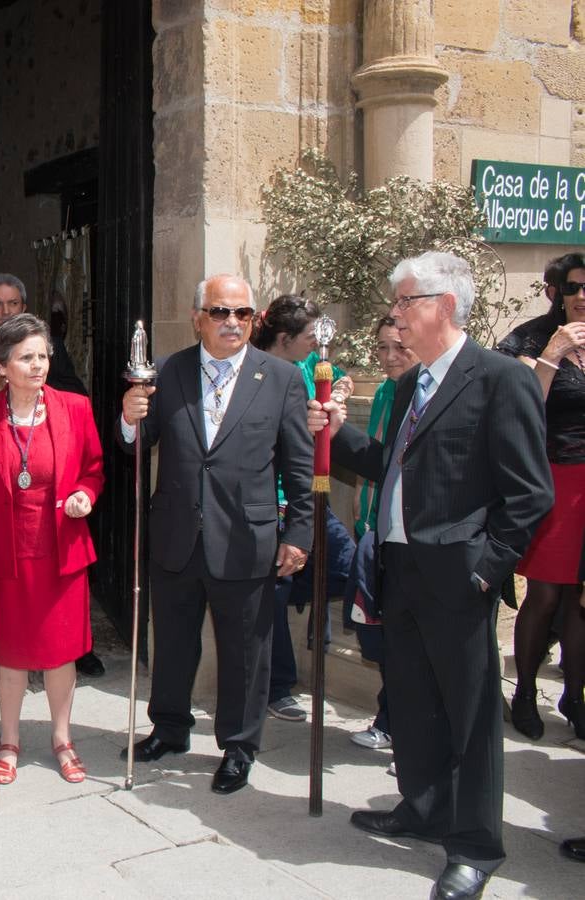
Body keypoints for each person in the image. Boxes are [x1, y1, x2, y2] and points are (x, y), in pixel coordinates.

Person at [315, 250, 553, 900]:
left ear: (443, 307)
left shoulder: (499, 380)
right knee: (414, 705)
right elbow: (397, 469)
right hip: (403, 572)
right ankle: (420, 807)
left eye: (404, 303)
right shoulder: (414, 384)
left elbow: (531, 494)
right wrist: (341, 434)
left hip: (458, 579)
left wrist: (486, 567)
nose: (395, 316)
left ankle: (476, 845)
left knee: (470, 718)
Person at [118, 274, 313, 795]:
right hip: (178, 533)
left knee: (246, 651)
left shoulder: (281, 379)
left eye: (243, 314)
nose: (232, 323)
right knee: (174, 642)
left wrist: (299, 532)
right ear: (198, 317)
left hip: (247, 537)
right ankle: (170, 728)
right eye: (221, 312)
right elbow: (138, 445)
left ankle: (239, 745)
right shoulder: (170, 372)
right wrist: (129, 420)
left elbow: (299, 464)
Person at [0, 314, 103, 785]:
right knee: (11, 653)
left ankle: (63, 738)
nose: (38, 365)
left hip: (61, 549)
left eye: (43, 355)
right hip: (7, 553)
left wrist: (86, 494)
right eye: (26, 357)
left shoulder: (75, 407)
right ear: (1, 364)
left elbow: (94, 469)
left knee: (61, 652)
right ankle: (10, 739)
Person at [0, 274, 103, 677]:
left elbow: (79, 425)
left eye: (13, 303)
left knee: (60, 629)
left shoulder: (51, 361)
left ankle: (73, 654)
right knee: (7, 624)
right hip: (3, 509)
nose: (6, 310)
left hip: (56, 512)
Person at [250, 295, 356, 724]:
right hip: (275, 498)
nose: (317, 344)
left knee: (350, 568)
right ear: (284, 338)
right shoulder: (257, 373)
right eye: (310, 337)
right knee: (272, 593)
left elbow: (340, 380)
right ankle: (277, 686)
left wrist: (341, 395)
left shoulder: (312, 367)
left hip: (312, 495)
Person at [495, 251, 585, 741]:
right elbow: (514, 406)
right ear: (558, 291)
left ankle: (575, 693)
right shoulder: (532, 336)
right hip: (552, 476)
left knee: (579, 598)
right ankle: (525, 691)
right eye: (573, 287)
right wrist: (551, 355)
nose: (581, 296)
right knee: (547, 591)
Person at [348, 316, 418, 754]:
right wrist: (365, 518)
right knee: (386, 637)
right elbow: (376, 457)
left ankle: (407, 731)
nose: (389, 358)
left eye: (399, 348)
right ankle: (390, 721)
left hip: (416, 540)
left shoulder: (431, 393)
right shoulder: (387, 392)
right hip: (379, 530)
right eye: (382, 348)